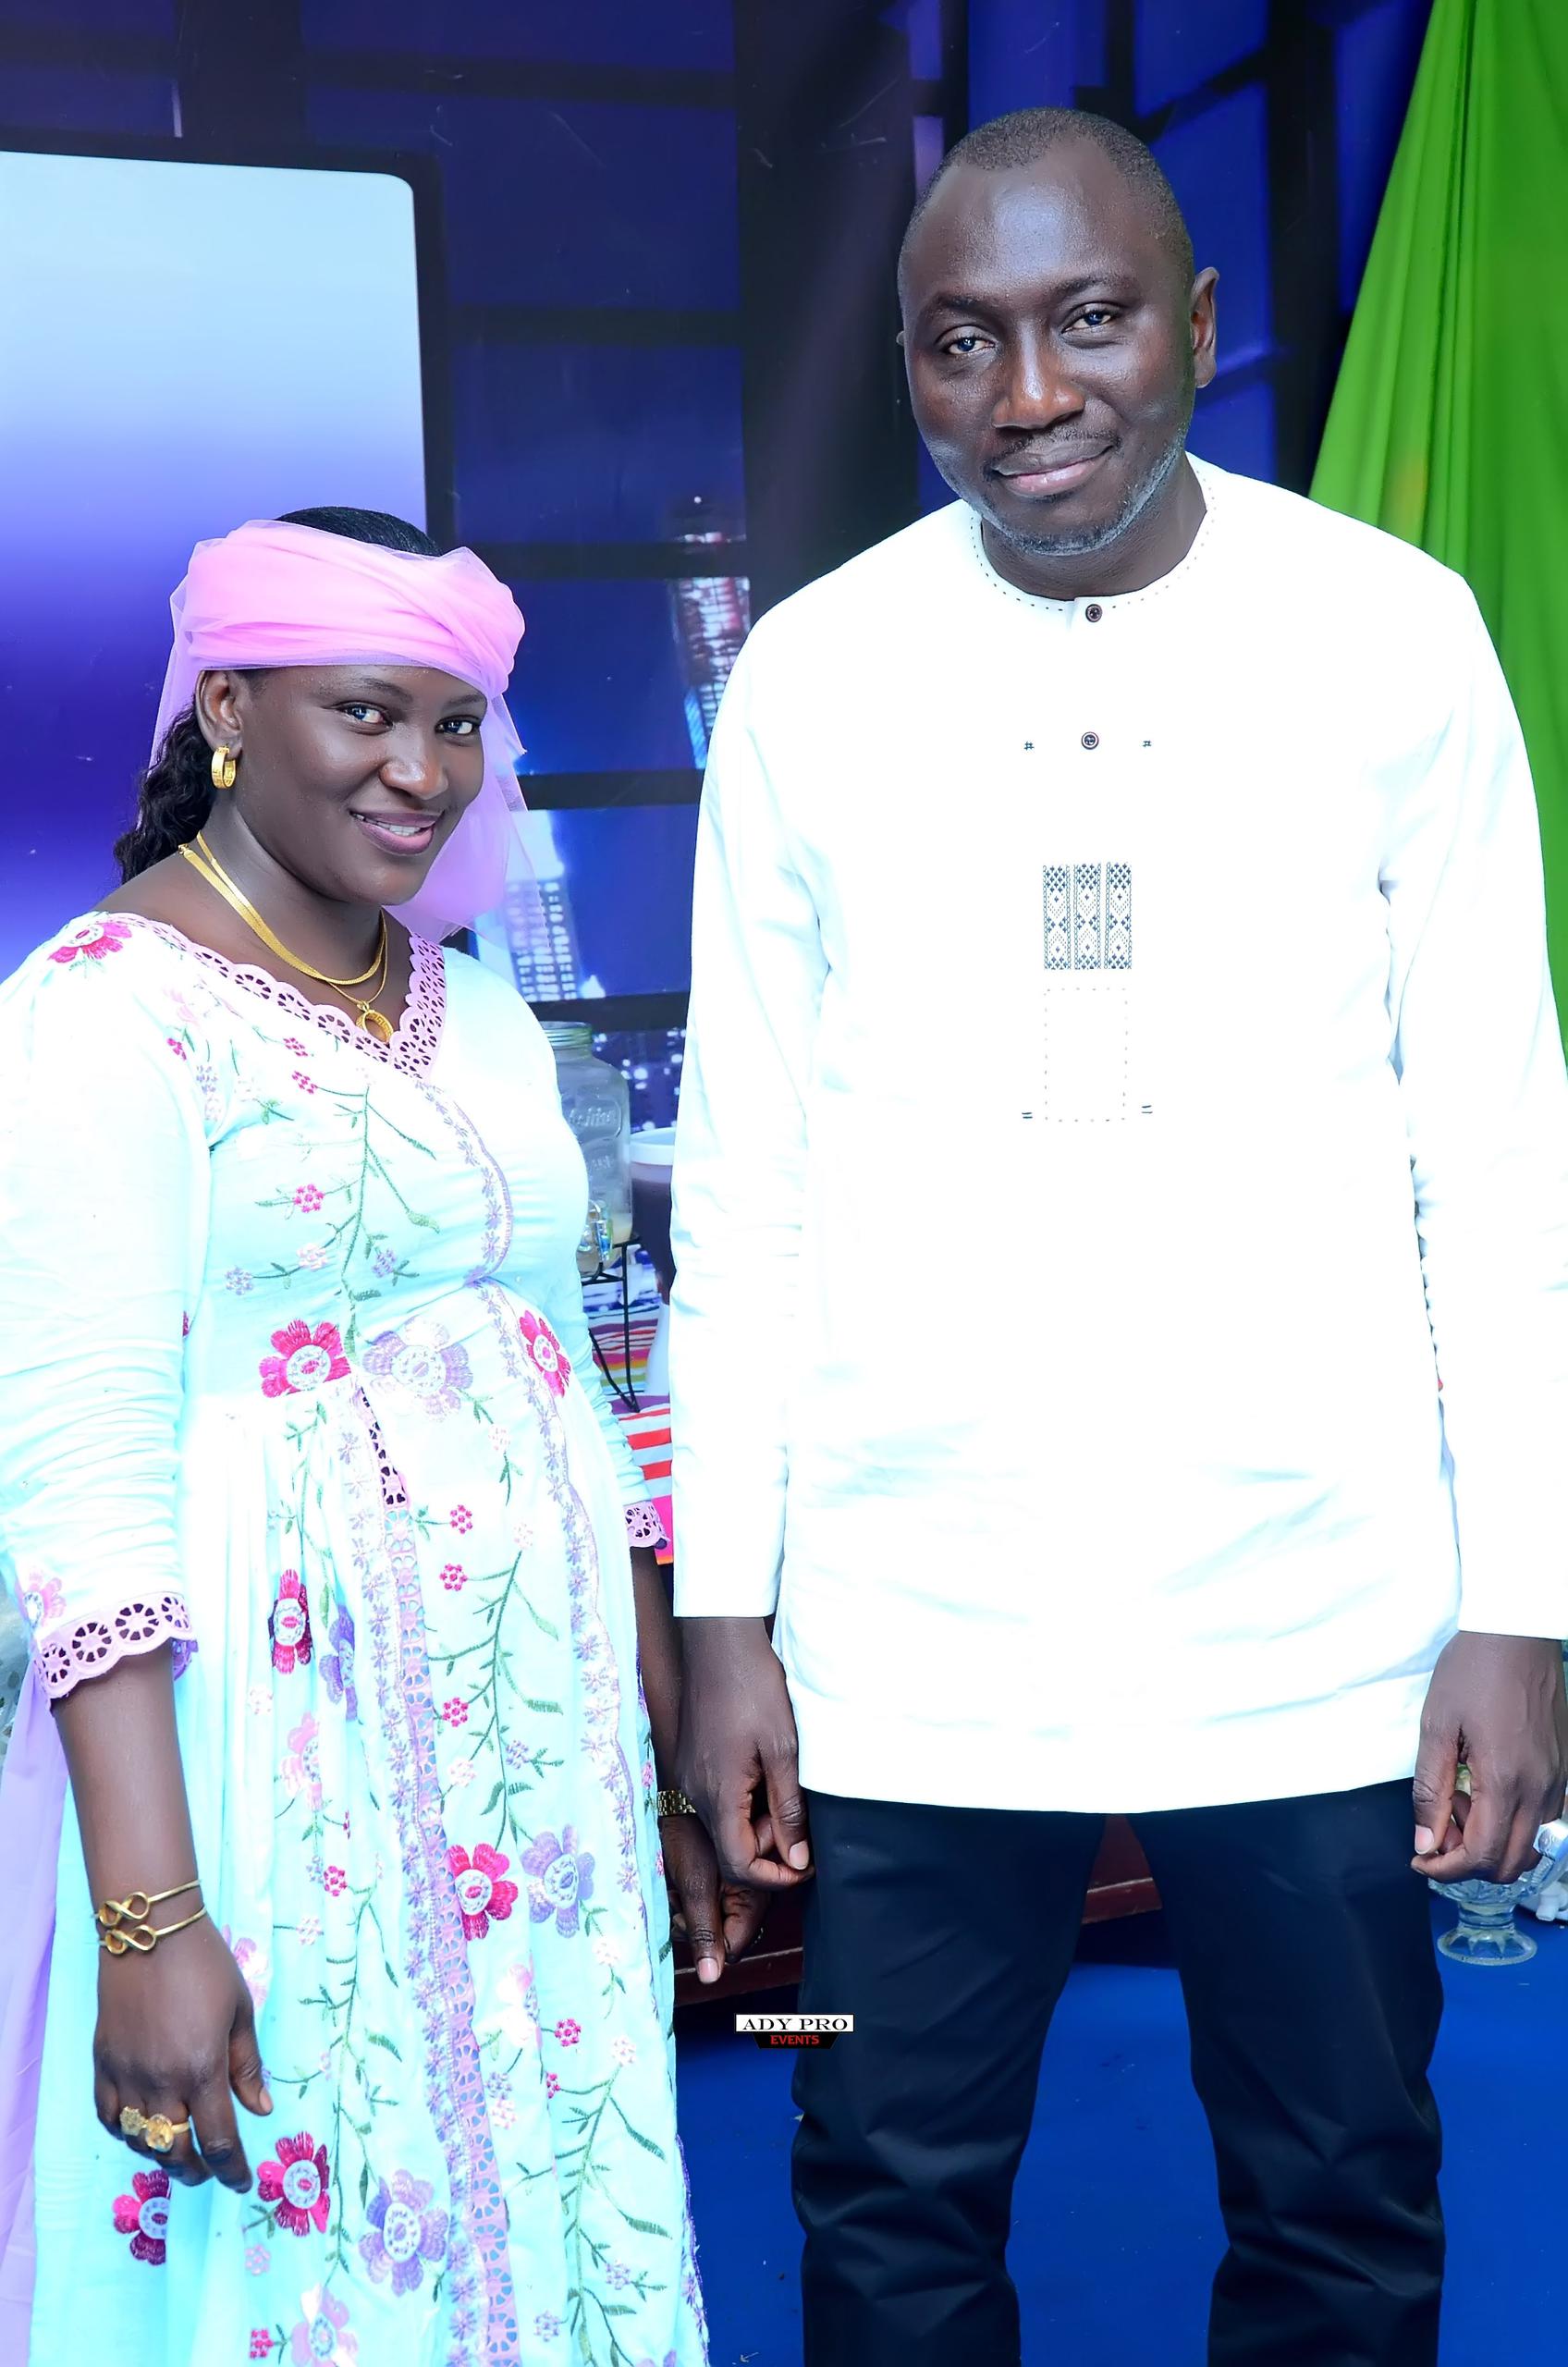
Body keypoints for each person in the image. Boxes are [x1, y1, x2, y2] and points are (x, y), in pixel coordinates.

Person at [668, 108, 1568, 2367]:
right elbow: (747, 1167)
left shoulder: (1390, 634)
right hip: (906, 1627)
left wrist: (1522, 1602)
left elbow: (1496, 1148)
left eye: (1085, 319)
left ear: (1192, 322)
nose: (1028, 392)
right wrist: (724, 1618)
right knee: (874, 2189)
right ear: (903, 362)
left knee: (1343, 2192)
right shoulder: (813, 672)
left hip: (1315, 1612)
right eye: (958, 340)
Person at [0, 506, 752, 2365]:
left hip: (535, 1766)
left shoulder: (471, 1004)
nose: (421, 770)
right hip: (271, 1764)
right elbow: (82, 1483)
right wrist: (152, 1920)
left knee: (546, 2193)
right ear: (229, 710)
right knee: (313, 2231)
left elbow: (568, 1383)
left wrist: (652, 1774)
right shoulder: (95, 1016)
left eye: (456, 722)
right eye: (365, 712)